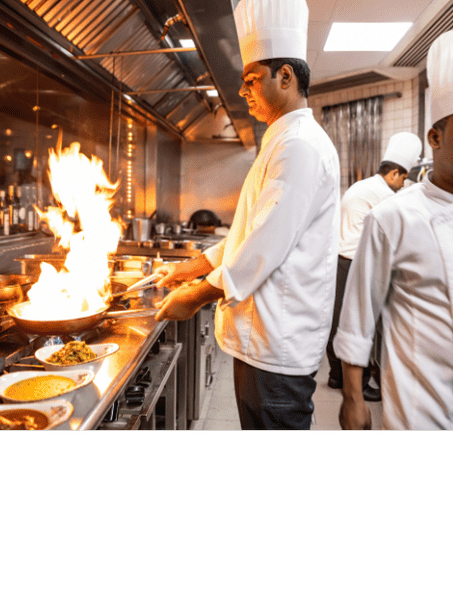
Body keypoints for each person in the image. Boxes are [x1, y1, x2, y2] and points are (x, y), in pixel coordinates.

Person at [153, 0, 339, 430]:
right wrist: (193, 267)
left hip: (277, 345)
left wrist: (195, 296)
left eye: (252, 80)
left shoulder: (300, 146)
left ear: (286, 76)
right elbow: (250, 231)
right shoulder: (282, 139)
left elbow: (263, 246)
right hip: (264, 340)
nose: (243, 91)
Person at [332, 29, 453, 430]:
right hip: (421, 411)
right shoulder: (393, 217)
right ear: (436, 137)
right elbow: (358, 322)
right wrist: (353, 399)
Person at [325, 132, 422, 402]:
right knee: (361, 325)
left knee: (339, 322)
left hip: (342, 261)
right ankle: (360, 383)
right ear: (393, 173)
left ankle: (336, 376)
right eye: (402, 177)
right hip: (356, 263)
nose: (402, 183)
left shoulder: (364, 186)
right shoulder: (382, 193)